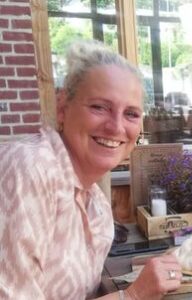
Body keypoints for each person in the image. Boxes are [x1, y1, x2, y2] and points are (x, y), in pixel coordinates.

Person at [0, 40, 182, 299]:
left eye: (131, 114)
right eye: (99, 107)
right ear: (62, 108)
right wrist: (133, 295)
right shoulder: (29, 168)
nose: (116, 127)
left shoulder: (95, 202)